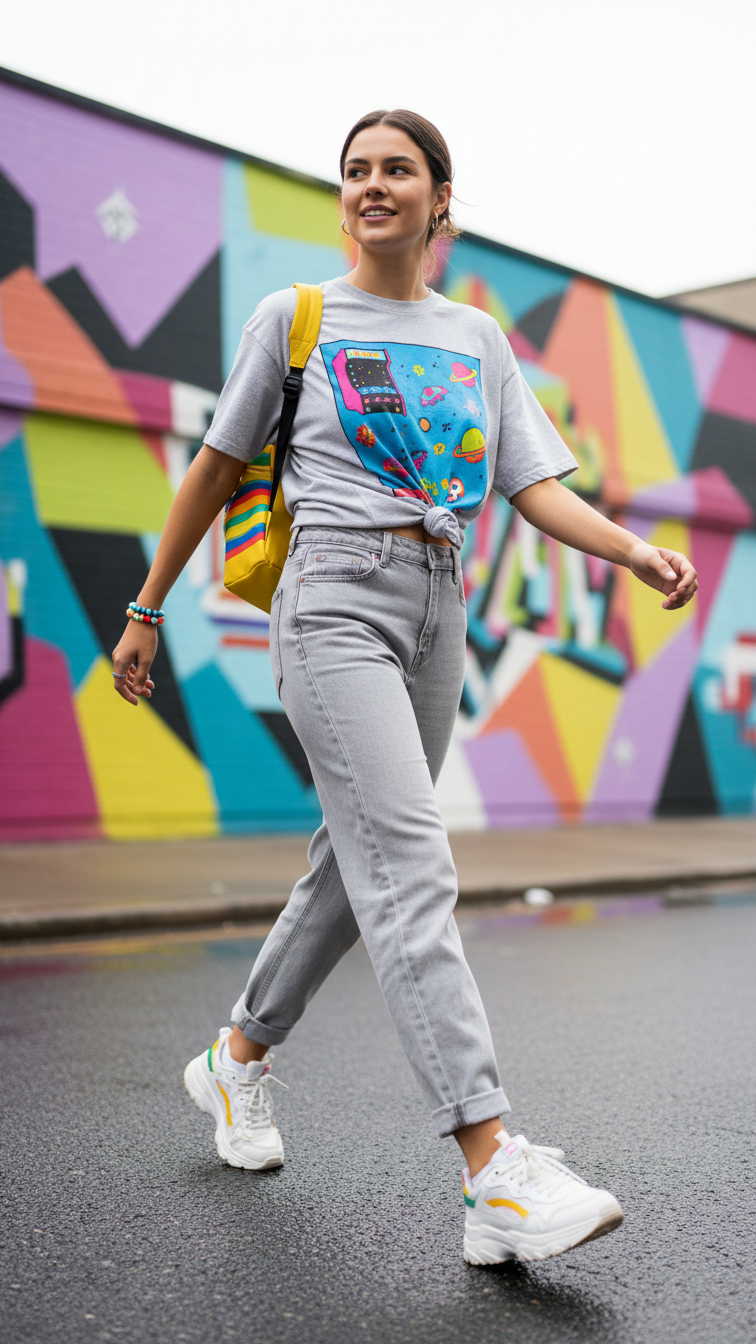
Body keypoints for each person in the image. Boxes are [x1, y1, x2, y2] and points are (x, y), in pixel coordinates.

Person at [111, 109, 698, 1266]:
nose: (374, 185)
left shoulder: (477, 338)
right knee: (413, 860)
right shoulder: (297, 319)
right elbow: (216, 469)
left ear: (441, 203)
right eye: (357, 172)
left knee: (358, 860)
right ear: (344, 200)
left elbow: (532, 487)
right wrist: (143, 609)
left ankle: (235, 1063)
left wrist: (630, 550)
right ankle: (492, 1168)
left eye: (399, 171)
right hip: (331, 598)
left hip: (441, 608)